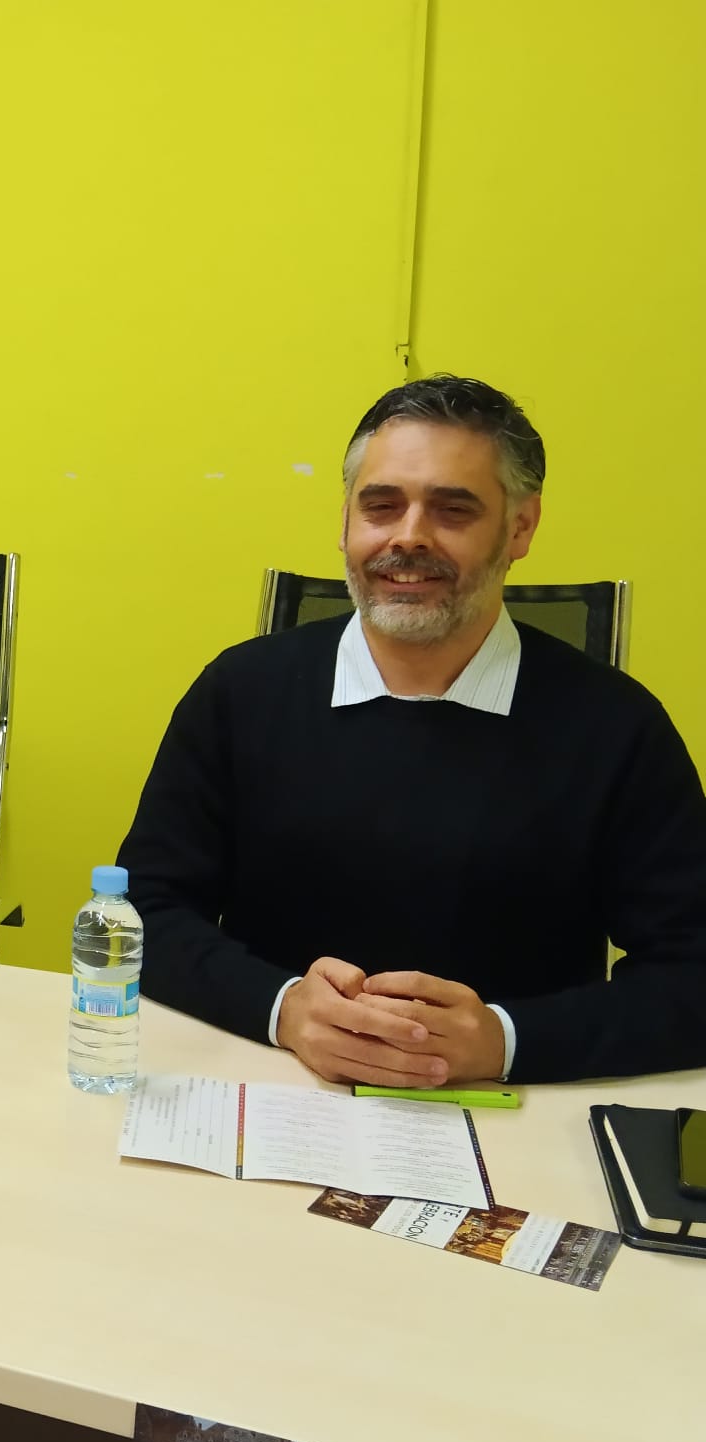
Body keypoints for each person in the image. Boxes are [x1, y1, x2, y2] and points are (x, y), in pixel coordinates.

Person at [118, 375, 706, 1084]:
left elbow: (692, 976)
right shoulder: (239, 692)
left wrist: (506, 1040)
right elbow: (142, 912)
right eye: (381, 505)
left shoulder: (617, 728)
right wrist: (281, 1008)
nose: (408, 537)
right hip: (270, 1086)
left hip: (512, 1113)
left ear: (520, 528)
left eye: (453, 509)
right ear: (345, 524)